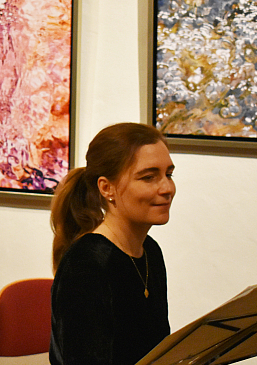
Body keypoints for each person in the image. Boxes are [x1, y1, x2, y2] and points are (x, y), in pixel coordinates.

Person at [49, 123, 175, 365]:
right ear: (107, 188)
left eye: (168, 174)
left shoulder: (150, 251)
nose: (167, 188)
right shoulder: (86, 265)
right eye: (149, 177)